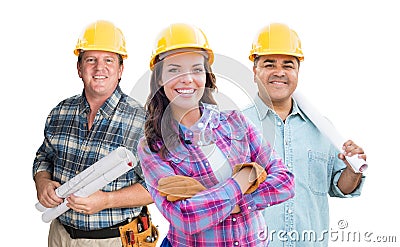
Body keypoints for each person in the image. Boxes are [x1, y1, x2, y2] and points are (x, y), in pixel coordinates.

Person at [137, 23, 295, 247]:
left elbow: (285, 181)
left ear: (206, 75)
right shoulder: (152, 146)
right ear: (160, 78)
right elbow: (187, 219)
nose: (187, 79)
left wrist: (224, 200)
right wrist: (244, 179)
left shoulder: (236, 123)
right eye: (174, 70)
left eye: (196, 69)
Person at [243, 22, 367, 247]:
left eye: (288, 65)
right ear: (254, 71)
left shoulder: (322, 129)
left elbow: (341, 186)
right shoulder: (236, 128)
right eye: (269, 64)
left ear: (297, 72)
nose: (279, 72)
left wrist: (352, 170)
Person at [32, 20, 152, 246]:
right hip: (60, 235)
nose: (99, 68)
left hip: (114, 239)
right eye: (91, 60)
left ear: (120, 70)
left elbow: (158, 186)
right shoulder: (60, 112)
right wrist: (43, 182)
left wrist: (106, 200)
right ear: (79, 68)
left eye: (108, 60)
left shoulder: (141, 120)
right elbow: (44, 157)